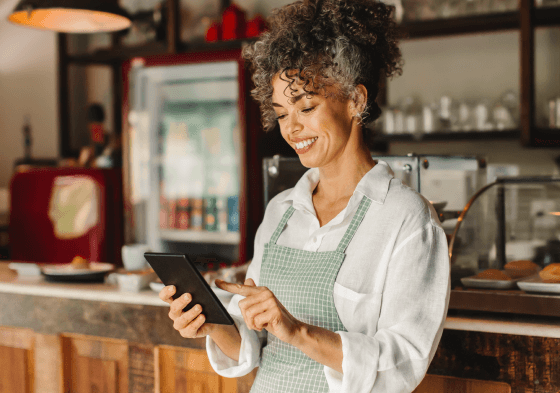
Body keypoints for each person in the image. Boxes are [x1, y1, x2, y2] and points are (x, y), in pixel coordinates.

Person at [158, 0, 450, 391]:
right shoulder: (281, 212)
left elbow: (403, 363)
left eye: (307, 107)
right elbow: (253, 347)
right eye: (281, 113)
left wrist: (297, 331)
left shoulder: (405, 219)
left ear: (356, 101)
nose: (292, 128)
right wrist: (213, 324)